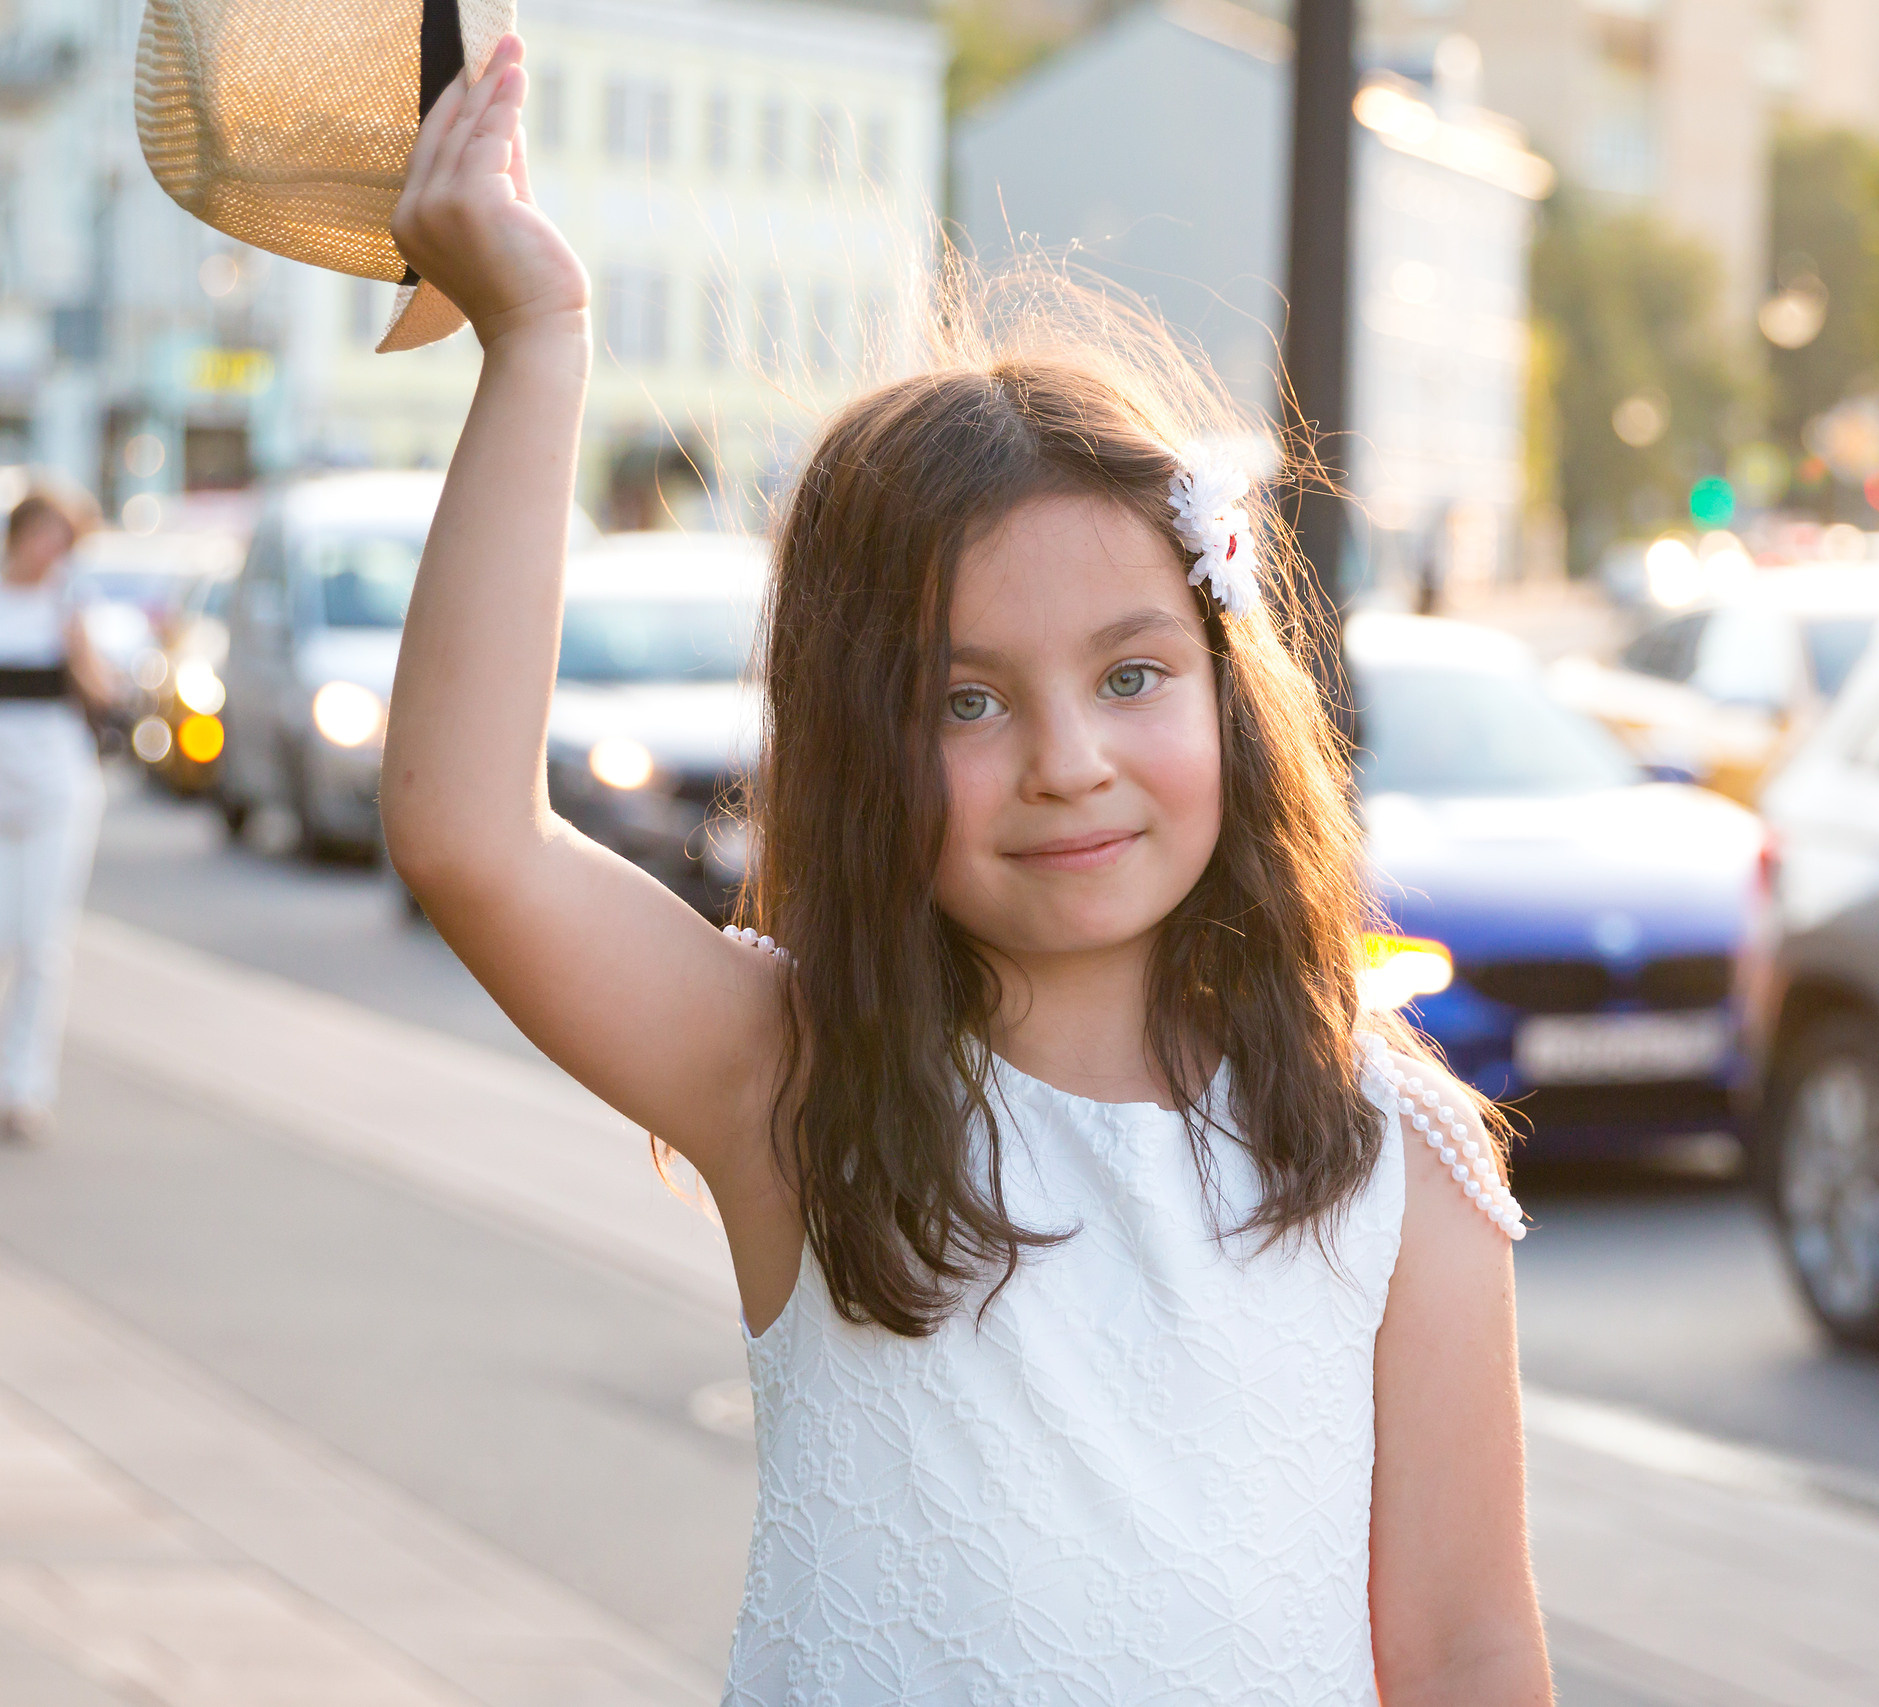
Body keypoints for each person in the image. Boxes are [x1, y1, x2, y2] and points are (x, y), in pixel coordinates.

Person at [378, 38, 1550, 1705]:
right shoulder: (795, 1078)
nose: (1068, 754)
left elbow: (1466, 1647)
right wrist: (538, 343)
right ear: (861, 746)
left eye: (1133, 674)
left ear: (1230, 687)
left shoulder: (1396, 1157)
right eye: (967, 698)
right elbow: (463, 831)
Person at [0, 481, 110, 1145]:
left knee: (42, 942)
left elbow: (103, 692)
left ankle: (25, 1085)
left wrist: (76, 641)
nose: (53, 552)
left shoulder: (70, 603)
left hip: (55, 787)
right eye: (46, 536)